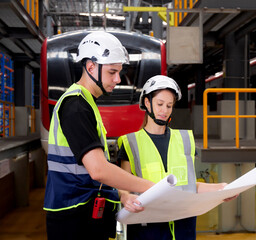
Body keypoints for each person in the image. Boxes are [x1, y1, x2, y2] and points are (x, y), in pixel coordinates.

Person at [43, 31, 154, 240]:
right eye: (112, 72)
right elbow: (98, 170)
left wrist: (122, 194)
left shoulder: (86, 102)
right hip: (74, 216)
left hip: (83, 211)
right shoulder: (76, 106)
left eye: (119, 72)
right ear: (91, 66)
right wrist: (152, 187)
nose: (118, 79)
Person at [117, 75, 236, 240]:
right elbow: (123, 183)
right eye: (160, 104)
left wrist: (222, 188)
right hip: (147, 228)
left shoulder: (185, 140)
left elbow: (189, 186)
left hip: (183, 227)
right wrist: (124, 196)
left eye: (169, 105)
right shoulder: (131, 142)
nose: (164, 110)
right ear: (146, 103)